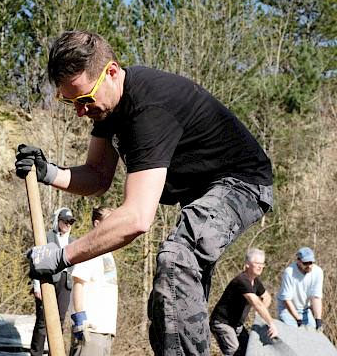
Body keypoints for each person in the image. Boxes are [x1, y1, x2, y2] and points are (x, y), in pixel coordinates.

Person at [16, 30, 273, 355]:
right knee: (167, 303)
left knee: (177, 260)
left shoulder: (149, 107)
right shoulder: (107, 109)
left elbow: (137, 218)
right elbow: (97, 177)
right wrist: (49, 173)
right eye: (70, 102)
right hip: (200, 193)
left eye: (84, 99)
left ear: (111, 72)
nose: (80, 111)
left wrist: (62, 256)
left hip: (241, 183)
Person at [209, 248, 278, 356]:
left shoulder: (255, 281)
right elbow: (256, 302)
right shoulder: (242, 280)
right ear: (247, 264)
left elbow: (267, 297)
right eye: (257, 263)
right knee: (236, 353)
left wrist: (260, 313)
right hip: (222, 323)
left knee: (250, 350)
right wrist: (271, 323)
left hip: (237, 325)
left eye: (262, 264)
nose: (260, 266)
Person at [69, 206, 118, 356]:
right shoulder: (90, 249)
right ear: (97, 224)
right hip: (91, 330)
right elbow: (78, 283)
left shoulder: (106, 251)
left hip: (105, 331)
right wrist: (80, 318)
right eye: (110, 221)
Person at [30, 207, 79, 356]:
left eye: (70, 222)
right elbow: (36, 260)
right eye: (65, 221)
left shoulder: (73, 241)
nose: (68, 224)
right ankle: (36, 354)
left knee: (60, 321)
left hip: (66, 283)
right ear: (58, 221)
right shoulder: (46, 237)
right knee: (42, 321)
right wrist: (36, 286)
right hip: (48, 281)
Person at [276, 247, 324, 331]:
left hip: (305, 310)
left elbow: (316, 298)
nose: (309, 266)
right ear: (298, 261)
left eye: (311, 263)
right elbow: (287, 300)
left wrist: (318, 321)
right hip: (287, 310)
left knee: (312, 332)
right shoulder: (289, 272)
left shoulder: (318, 272)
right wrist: (298, 320)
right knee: (294, 332)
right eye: (305, 263)